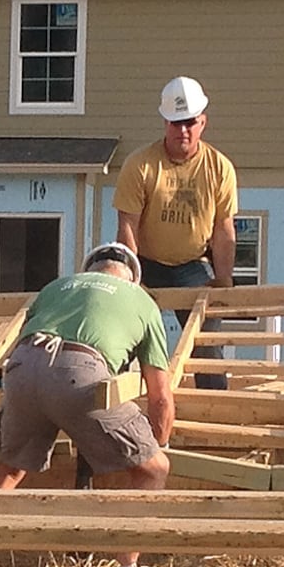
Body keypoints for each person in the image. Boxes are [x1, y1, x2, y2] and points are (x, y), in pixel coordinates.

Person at [0, 242, 173, 567]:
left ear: (89, 269)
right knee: (154, 469)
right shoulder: (141, 301)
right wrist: (154, 446)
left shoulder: (55, 288)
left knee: (10, 468)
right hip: (80, 372)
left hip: (23, 367)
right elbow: (160, 397)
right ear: (131, 277)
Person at [113, 75, 237, 391]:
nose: (183, 130)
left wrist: (223, 282)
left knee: (207, 342)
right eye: (175, 123)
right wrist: (133, 279)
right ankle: (118, 406)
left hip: (191, 266)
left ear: (203, 122)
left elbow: (223, 230)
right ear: (165, 122)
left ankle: (213, 409)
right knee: (124, 334)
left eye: (190, 122)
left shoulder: (218, 168)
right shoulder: (140, 165)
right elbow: (127, 225)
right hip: (146, 264)